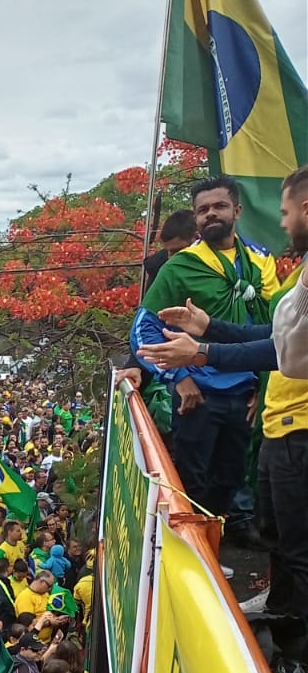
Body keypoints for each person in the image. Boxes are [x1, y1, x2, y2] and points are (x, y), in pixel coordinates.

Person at [133, 174, 279, 522]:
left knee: (234, 479)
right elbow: (143, 328)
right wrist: (179, 377)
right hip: (199, 395)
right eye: (203, 210)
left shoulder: (261, 262)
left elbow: (277, 334)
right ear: (196, 218)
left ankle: (232, 536)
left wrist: (264, 385)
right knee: (192, 485)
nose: (211, 213)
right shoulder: (181, 266)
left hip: (246, 394)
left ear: (237, 211)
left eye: (219, 206)